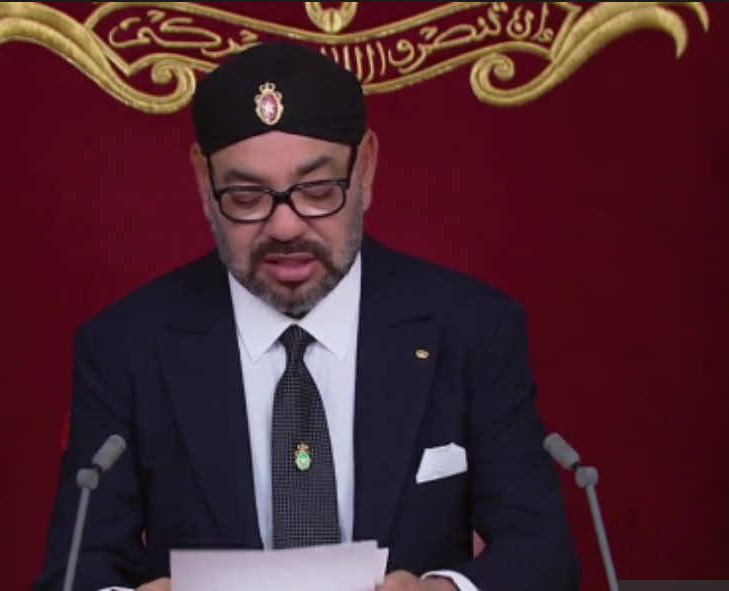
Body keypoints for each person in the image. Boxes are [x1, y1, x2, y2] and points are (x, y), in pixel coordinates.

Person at [32, 42, 580, 591]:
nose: (286, 227)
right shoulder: (126, 347)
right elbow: (75, 571)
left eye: (318, 191)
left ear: (365, 167)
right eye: (246, 196)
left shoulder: (471, 328)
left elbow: (542, 554)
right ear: (203, 181)